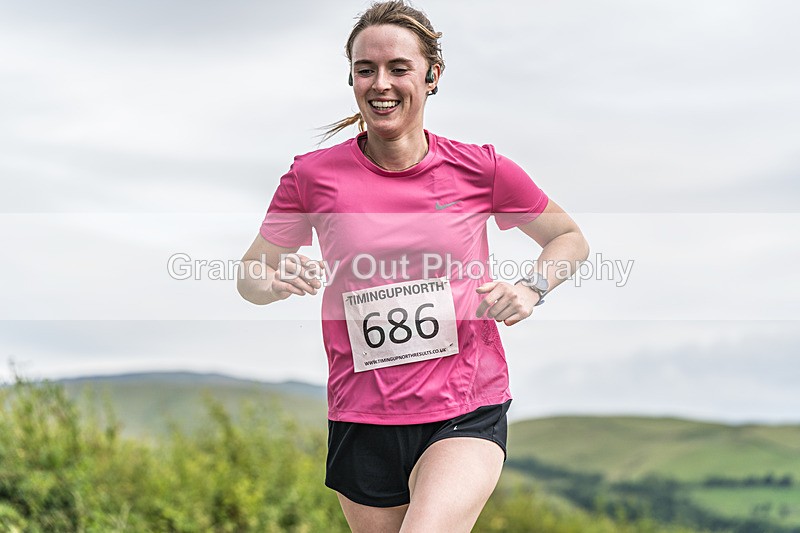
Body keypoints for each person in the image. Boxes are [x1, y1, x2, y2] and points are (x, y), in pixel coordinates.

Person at [237, 1, 589, 531]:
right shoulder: (312, 177)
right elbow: (250, 275)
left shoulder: (481, 169)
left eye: (398, 68)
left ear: (432, 76)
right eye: (365, 69)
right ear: (352, 78)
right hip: (362, 415)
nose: (381, 83)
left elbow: (569, 238)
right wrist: (273, 282)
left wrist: (532, 286)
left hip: (464, 406)